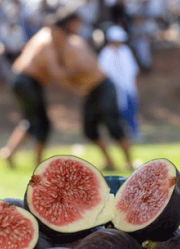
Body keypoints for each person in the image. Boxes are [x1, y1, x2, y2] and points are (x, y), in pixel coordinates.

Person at [0, 10, 86, 168]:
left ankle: (9, 153)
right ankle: (38, 164)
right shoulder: (48, 40)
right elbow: (56, 73)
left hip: (24, 81)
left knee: (31, 121)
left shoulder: (48, 36)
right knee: (42, 124)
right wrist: (76, 80)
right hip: (26, 81)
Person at [55, 9, 133, 171]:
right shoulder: (66, 42)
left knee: (113, 124)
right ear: (71, 23)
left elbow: (84, 66)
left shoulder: (74, 42)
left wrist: (66, 74)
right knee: (89, 128)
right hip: (92, 90)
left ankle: (129, 161)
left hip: (103, 86)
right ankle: (109, 160)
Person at [98, 25, 143, 142]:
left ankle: (134, 133)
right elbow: (104, 73)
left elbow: (133, 69)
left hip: (129, 87)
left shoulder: (125, 51)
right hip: (114, 89)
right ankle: (120, 136)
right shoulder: (106, 54)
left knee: (132, 110)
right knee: (117, 113)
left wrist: (134, 85)